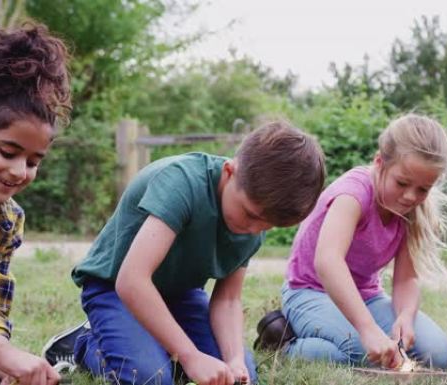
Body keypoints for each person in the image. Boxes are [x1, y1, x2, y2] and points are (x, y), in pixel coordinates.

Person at [44, 121, 326, 385]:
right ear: (230, 172)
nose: (254, 230)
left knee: (238, 375)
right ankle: (82, 344)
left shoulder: (256, 216)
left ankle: (154, 345)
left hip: (179, 294)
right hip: (115, 288)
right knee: (151, 377)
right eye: (250, 214)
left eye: (268, 225)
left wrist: (234, 358)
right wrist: (190, 356)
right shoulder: (181, 183)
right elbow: (132, 280)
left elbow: (227, 299)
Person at [258, 114, 447, 369]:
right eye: (402, 183)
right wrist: (368, 329)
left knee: (436, 354)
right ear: (379, 162)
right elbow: (328, 261)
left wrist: (405, 318)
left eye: (423, 189)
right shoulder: (353, 195)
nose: (411, 196)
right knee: (365, 352)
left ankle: (344, 338)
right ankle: (284, 343)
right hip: (310, 292)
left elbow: (405, 279)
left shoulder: (410, 211)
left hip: (366, 297)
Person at [0, 23, 71, 385]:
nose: (18, 171)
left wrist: (1, 356)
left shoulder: (7, 219)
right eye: (7, 152)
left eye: (33, 161)